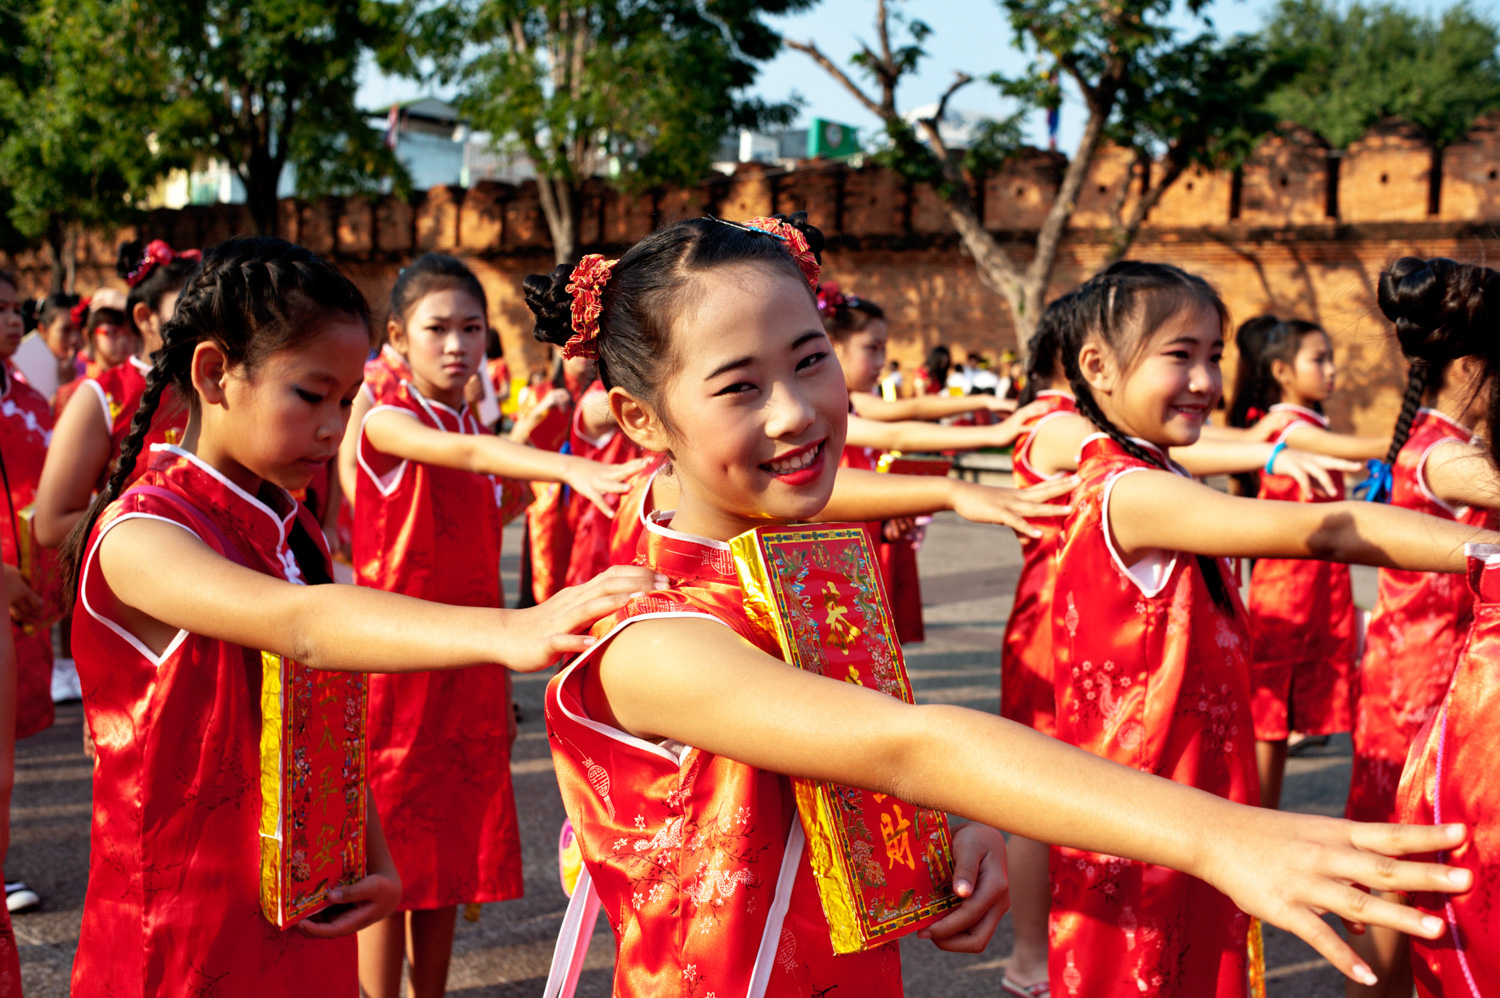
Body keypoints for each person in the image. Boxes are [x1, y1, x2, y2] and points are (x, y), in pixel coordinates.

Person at [525, 214, 1476, 998]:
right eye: (739, 386)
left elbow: (863, 766)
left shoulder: (805, 575)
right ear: (642, 419)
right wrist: (1225, 833)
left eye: (810, 360)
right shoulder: (655, 641)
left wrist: (950, 836)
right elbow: (912, 744)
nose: (795, 411)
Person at [59, 237, 662, 996]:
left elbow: (322, 711)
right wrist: (511, 628)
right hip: (176, 930)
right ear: (215, 374)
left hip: (301, 905)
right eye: (311, 397)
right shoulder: (142, 534)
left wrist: (369, 856)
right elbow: (305, 628)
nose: (334, 427)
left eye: (346, 401)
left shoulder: (287, 528)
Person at [1016, 259, 1496, 996]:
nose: (1207, 380)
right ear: (1097, 367)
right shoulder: (1129, 489)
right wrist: (1482, 552)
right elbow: (1333, 533)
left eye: (1213, 355)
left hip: (1182, 807)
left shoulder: (1154, 470)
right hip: (1146, 821)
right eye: (1179, 356)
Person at [351, 253, 642, 998]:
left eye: (471, 328)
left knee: (450, 853)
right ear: (396, 337)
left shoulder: (461, 412)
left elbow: (477, 482)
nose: (456, 344)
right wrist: (568, 469)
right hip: (403, 659)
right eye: (437, 328)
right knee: (388, 861)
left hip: (473, 660)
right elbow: (468, 452)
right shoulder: (384, 414)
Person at [1350, 256, 1500, 998]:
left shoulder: (1428, 440)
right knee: (1405, 866)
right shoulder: (1443, 451)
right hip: (1424, 674)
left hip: (1417, 663)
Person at [1226, 317, 1388, 810]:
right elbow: (1358, 450)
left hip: (1315, 585)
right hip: (1290, 589)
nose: (1332, 370)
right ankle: (1256, 819)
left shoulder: (1301, 422)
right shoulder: (1290, 426)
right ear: (1281, 370)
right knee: (1270, 718)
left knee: (1281, 719)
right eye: (1318, 359)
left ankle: (1263, 814)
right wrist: (1424, 433)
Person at [996, 298, 1077, 998]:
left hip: (1076, 622)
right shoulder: (1059, 426)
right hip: (1052, 625)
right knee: (1039, 799)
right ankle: (1029, 956)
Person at [32, 239, 200, 549]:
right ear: (144, 318)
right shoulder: (102, 394)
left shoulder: (222, 388)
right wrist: (171, 528)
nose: (204, 319)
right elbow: (51, 524)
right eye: (188, 306)